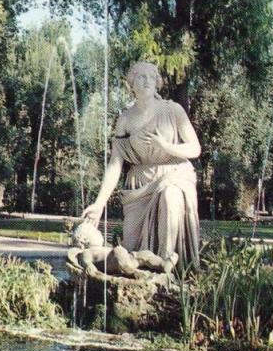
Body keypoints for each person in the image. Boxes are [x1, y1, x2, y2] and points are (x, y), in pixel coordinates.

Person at [81, 61, 202, 270]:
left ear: (157, 83)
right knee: (128, 248)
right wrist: (99, 203)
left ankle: (166, 264)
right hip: (140, 185)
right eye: (140, 77)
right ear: (132, 84)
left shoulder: (173, 110)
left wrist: (166, 146)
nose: (146, 81)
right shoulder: (125, 119)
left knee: (170, 196)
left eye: (151, 77)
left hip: (174, 173)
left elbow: (195, 149)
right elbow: (115, 163)